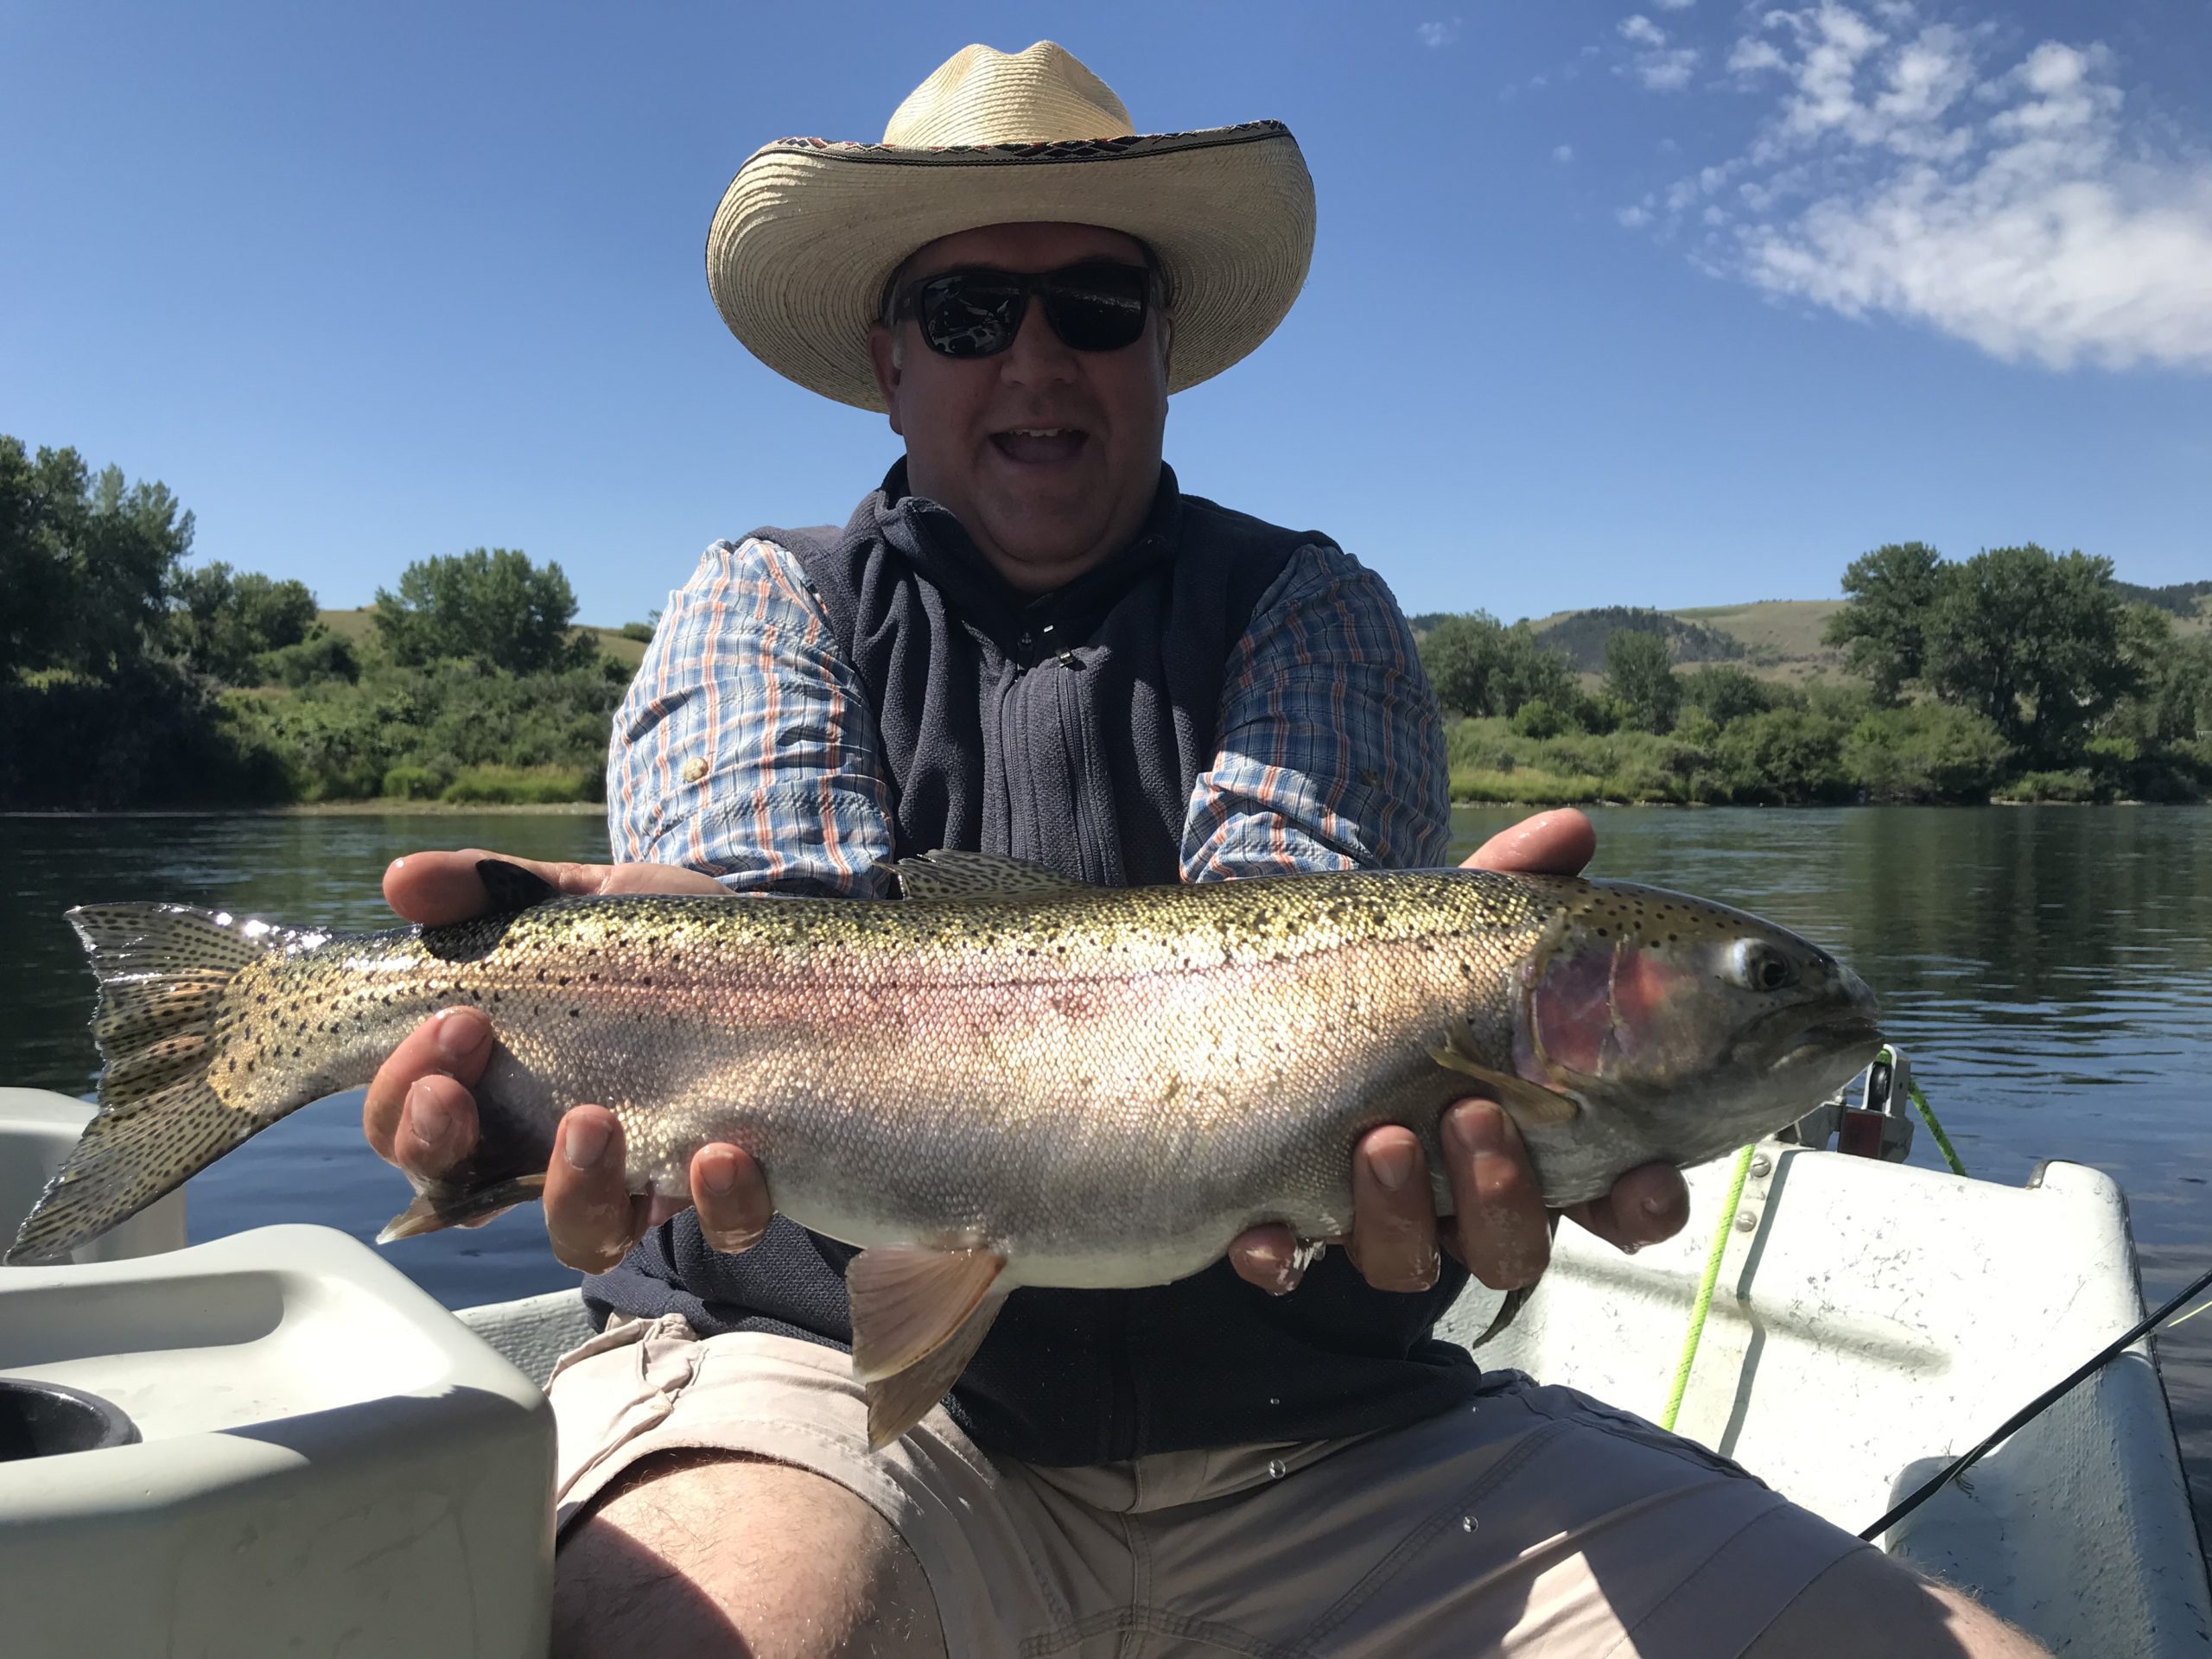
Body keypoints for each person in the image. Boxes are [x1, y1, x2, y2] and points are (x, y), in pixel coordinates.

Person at [362, 42, 2046, 1659]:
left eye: (1092, 307)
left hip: (1332, 1432)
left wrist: (1418, 1021)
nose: (1035, 360)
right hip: (813, 1386)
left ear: (1160, 341)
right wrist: (612, 988)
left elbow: (1264, 961)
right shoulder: (760, 597)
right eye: (968, 310)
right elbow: (776, 923)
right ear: (891, 357)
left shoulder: (1309, 608)